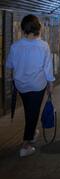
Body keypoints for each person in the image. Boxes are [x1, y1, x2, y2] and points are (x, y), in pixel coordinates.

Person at [5, 15, 55, 157]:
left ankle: (32, 133)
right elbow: (47, 68)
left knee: (29, 109)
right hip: (37, 85)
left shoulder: (15, 46)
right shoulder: (43, 46)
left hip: (21, 85)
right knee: (32, 113)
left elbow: (9, 65)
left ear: (23, 29)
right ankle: (26, 144)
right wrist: (50, 84)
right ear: (38, 28)